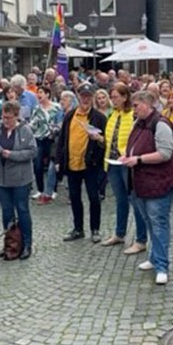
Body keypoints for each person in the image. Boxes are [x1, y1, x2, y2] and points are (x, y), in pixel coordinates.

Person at [120, 91, 173, 285]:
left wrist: (138, 159)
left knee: (158, 223)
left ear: (148, 105)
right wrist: (127, 157)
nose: (134, 109)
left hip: (159, 181)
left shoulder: (161, 124)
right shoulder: (139, 123)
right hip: (140, 181)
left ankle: (162, 265)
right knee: (149, 221)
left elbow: (165, 153)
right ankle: (154, 257)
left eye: (137, 105)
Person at [56, 83, 107, 242]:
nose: (85, 99)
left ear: (92, 98)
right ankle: (78, 229)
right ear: (78, 97)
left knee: (94, 197)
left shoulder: (99, 118)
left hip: (90, 164)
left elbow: (106, 141)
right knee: (75, 197)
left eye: (88, 96)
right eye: (83, 96)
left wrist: (99, 140)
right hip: (72, 163)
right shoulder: (70, 116)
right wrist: (58, 160)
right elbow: (62, 140)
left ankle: (95, 229)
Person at [100, 83, 147, 252]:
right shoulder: (113, 115)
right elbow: (111, 138)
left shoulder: (132, 116)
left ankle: (141, 239)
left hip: (126, 163)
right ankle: (119, 234)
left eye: (116, 97)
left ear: (125, 97)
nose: (113, 100)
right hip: (112, 162)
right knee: (120, 200)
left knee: (135, 200)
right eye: (112, 97)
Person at [0, 101, 38, 259]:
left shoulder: (25, 130)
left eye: (9, 118)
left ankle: (26, 244)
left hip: (20, 179)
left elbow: (32, 152)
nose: (5, 121)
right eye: (3, 117)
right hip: (0, 178)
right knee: (6, 212)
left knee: (22, 210)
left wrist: (12, 155)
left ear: (16, 117)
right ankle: (10, 244)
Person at [30, 86, 63, 203]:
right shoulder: (36, 109)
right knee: (37, 164)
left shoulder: (57, 108)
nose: (39, 95)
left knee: (52, 165)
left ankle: (53, 189)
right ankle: (40, 189)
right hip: (39, 138)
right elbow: (33, 124)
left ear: (47, 94)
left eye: (41, 92)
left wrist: (54, 130)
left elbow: (60, 123)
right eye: (38, 93)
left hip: (52, 139)